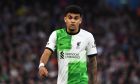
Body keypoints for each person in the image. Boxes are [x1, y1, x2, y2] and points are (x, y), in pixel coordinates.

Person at [38, 5, 98, 84]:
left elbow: (93, 61)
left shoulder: (88, 36)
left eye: (76, 18)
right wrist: (41, 65)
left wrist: (94, 82)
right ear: (65, 19)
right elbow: (47, 52)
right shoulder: (56, 34)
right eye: (70, 17)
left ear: (80, 20)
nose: (73, 21)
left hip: (81, 81)